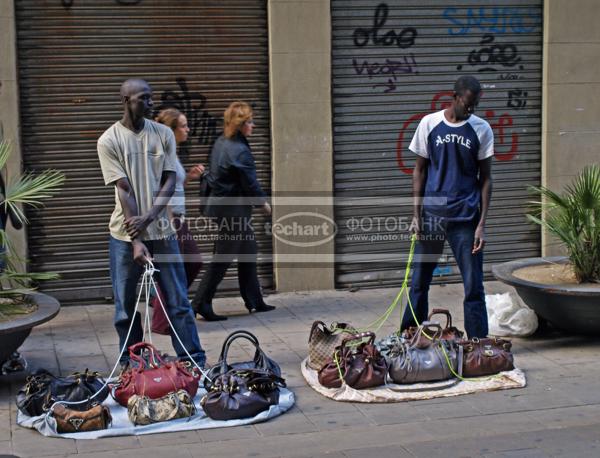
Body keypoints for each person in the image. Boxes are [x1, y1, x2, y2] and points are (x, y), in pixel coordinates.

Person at [97, 78, 206, 368]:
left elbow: (170, 179)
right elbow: (123, 188)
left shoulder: (163, 134)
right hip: (124, 236)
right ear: (126, 101)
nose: (150, 103)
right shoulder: (109, 140)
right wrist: (137, 239)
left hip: (163, 232)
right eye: (143, 98)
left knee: (179, 302)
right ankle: (133, 365)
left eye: (151, 97)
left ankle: (193, 362)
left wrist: (149, 217)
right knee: (125, 307)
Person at [401, 75, 494, 338]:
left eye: (475, 104)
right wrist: (415, 216)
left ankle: (478, 343)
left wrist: (481, 225)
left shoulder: (481, 129)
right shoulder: (429, 124)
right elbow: (418, 171)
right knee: (418, 283)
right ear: (454, 97)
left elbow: (486, 178)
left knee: (474, 285)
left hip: (465, 219)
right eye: (468, 103)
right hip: (431, 216)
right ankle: (410, 336)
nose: (471, 109)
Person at [191, 101, 274, 321]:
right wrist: (263, 203)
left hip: (223, 206)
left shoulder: (223, 141)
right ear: (240, 125)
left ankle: (254, 300)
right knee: (223, 258)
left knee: (249, 250)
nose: (253, 125)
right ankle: (200, 302)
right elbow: (250, 183)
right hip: (232, 211)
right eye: (249, 122)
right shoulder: (239, 151)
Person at [150, 108, 205, 333]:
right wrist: (171, 222)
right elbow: (161, 190)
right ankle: (162, 321)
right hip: (171, 221)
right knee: (182, 266)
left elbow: (174, 185)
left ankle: (164, 312)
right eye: (183, 125)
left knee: (182, 266)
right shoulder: (162, 154)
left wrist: (188, 177)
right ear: (171, 130)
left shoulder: (171, 151)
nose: (187, 129)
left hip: (177, 219)